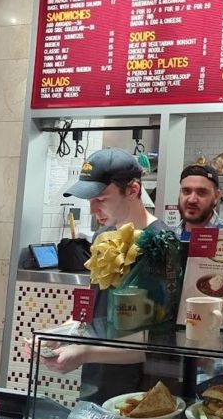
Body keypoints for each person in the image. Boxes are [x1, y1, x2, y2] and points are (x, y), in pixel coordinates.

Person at [38, 148, 169, 398]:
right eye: (90, 200)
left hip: (139, 391)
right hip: (95, 383)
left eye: (101, 198)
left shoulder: (159, 242)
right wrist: (56, 336)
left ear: (133, 190)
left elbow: (156, 342)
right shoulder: (102, 236)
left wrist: (85, 352)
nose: (91, 209)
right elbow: (92, 313)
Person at [176, 164, 223, 241]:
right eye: (186, 191)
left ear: (216, 196)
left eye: (201, 192)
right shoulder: (165, 235)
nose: (192, 200)